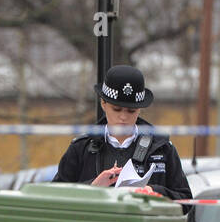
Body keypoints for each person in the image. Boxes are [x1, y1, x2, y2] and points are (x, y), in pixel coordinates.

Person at [53, 65, 192, 202]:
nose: (123, 117)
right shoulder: (81, 148)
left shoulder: (162, 148)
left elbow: (186, 200)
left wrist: (154, 192)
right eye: (117, 109)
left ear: (139, 110)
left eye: (131, 111)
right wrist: (92, 188)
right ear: (103, 103)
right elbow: (53, 197)